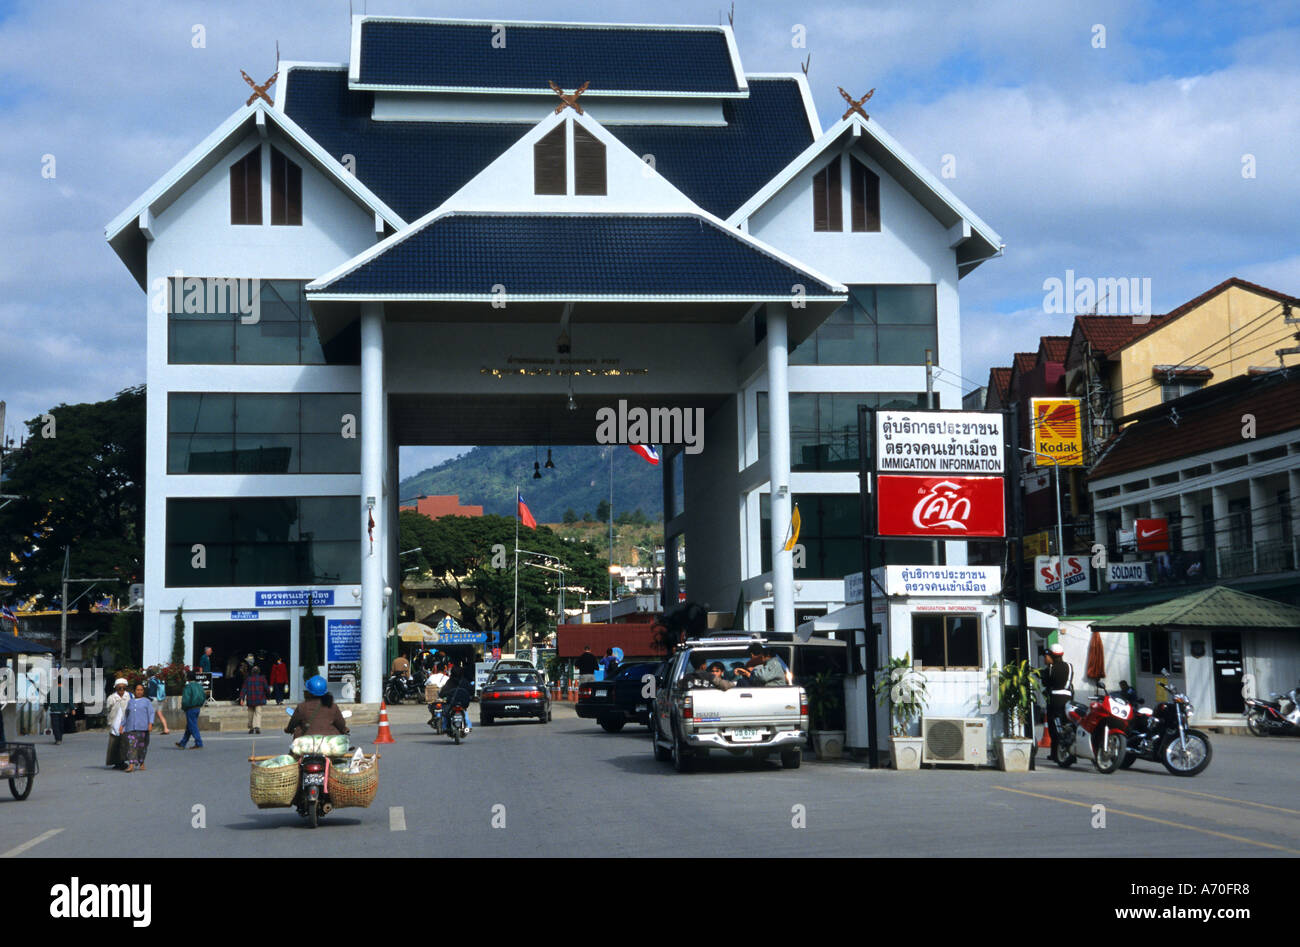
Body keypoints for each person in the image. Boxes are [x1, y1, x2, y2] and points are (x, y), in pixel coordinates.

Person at [122, 682, 169, 773]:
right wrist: (122, 725)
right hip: (131, 728)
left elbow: (151, 713)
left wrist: (150, 724)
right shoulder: (130, 702)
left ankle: (141, 762)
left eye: (141, 690)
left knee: (142, 747)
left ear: (143, 691)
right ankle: (131, 765)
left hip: (143, 728)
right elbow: (126, 715)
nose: (139, 692)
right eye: (137, 690)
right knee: (132, 746)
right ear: (134, 691)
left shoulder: (146, 701)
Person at [1043, 643, 1074, 762]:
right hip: (1068, 699)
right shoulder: (1070, 666)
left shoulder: (1050, 668)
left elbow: (1046, 683)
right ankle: (1070, 753)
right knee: (1067, 726)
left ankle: (1055, 755)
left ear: (1051, 655)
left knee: (1054, 727)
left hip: (1055, 700)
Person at [105, 678, 132, 770]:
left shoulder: (129, 696)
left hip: (126, 723)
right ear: (116, 688)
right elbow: (108, 709)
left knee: (124, 743)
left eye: (123, 688)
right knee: (114, 743)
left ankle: (123, 761)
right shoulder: (112, 698)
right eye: (119, 688)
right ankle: (116, 762)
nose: (121, 690)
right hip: (115, 722)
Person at [176, 670, 205, 749]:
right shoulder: (199, 686)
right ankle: (183, 743)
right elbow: (203, 697)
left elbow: (186, 699)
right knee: (190, 726)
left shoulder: (188, 687)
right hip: (197, 707)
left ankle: (199, 743)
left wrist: (184, 707)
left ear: (188, 678)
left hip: (190, 708)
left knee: (193, 726)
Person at [240, 665, 268, 734]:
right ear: (259, 672)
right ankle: (257, 727)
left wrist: (242, 699)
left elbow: (243, 690)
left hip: (250, 700)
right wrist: (268, 696)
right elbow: (266, 688)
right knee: (258, 713)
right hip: (259, 699)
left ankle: (251, 728)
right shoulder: (262, 679)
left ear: (252, 672)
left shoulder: (248, 679)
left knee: (250, 714)